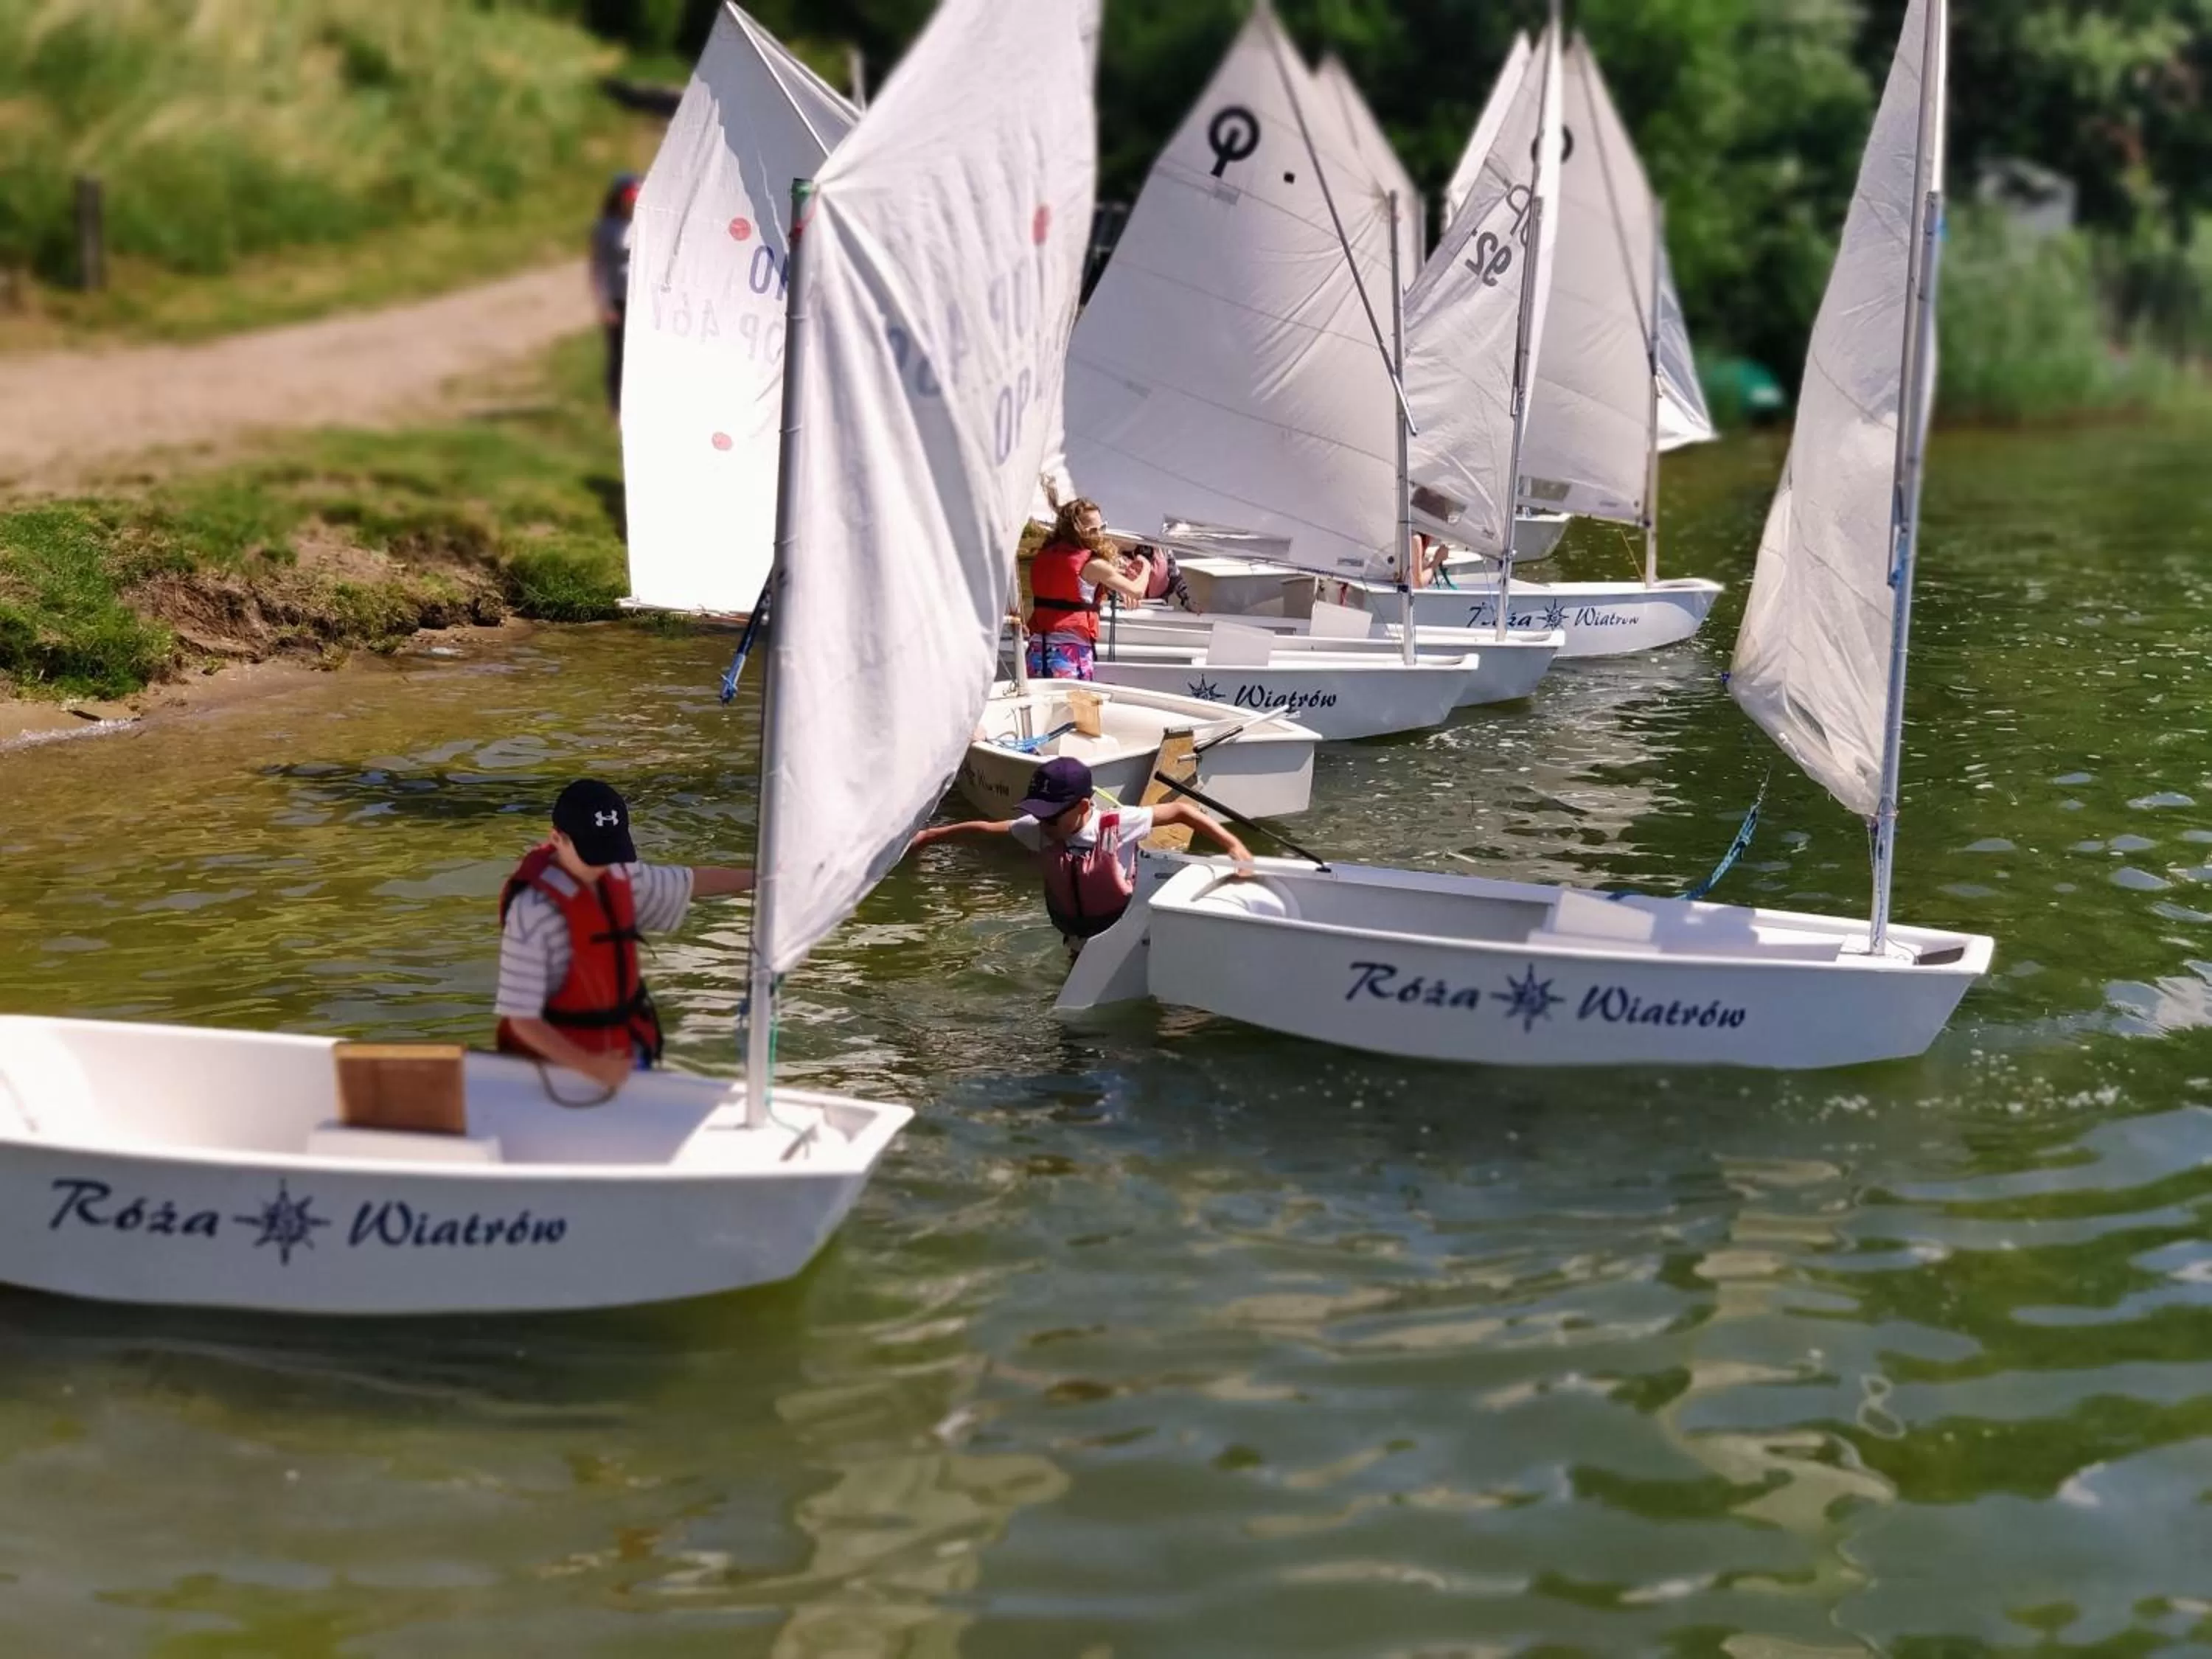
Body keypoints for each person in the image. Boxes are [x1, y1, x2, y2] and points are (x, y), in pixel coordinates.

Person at [495, 779, 754, 1090]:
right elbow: (521, 1019)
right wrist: (592, 1067)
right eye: (593, 854)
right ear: (558, 839)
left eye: (611, 850)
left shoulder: (619, 875)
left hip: (622, 1056)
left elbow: (691, 882)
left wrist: (764, 877)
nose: (604, 865)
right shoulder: (533, 911)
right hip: (554, 1073)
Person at [909, 757, 1252, 951]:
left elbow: (1180, 811)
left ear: (1084, 806)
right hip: (1075, 936)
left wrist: (1235, 847)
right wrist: (932, 836)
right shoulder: (1037, 830)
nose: (1043, 823)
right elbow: (985, 830)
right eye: (1038, 814)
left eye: (1052, 816)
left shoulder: (1118, 826)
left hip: (1121, 935)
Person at [1025, 498, 1148, 680]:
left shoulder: (1045, 556)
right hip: (1068, 657)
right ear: (1076, 531)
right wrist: (1146, 566)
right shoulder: (1095, 565)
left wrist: (1121, 572)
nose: (1099, 535)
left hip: (1036, 652)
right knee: (1073, 709)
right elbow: (1137, 591)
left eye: (1102, 528)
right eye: (1092, 531)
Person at [590, 173, 640, 416]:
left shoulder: (645, 222)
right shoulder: (606, 229)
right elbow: (598, 268)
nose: (631, 204)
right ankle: (615, 406)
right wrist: (604, 304)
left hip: (641, 299)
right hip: (618, 298)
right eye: (628, 199)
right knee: (617, 355)